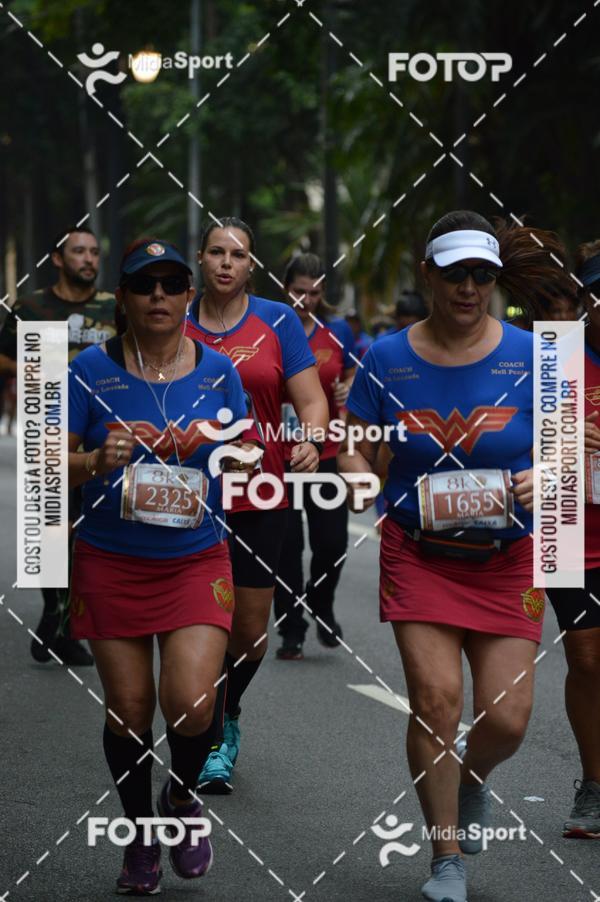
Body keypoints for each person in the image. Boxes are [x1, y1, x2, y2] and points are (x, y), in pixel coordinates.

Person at [339, 210, 570, 902]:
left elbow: (569, 447)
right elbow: (354, 442)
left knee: (508, 718)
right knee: (436, 702)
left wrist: (546, 472)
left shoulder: (539, 353)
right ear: (428, 276)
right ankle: (445, 860)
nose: (469, 288)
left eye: (482, 275)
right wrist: (358, 476)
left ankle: (470, 778)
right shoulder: (387, 357)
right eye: (455, 274)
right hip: (420, 553)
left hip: (510, 554)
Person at [68, 237, 253, 895]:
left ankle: (179, 798)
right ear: (123, 297)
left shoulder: (219, 372)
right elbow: (47, 463)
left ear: (188, 296)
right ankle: (141, 832)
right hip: (111, 559)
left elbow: (242, 450)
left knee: (193, 704)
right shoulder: (89, 370)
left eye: (172, 284)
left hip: (193, 557)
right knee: (128, 709)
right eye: (144, 285)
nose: (158, 296)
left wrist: (239, 460)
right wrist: (95, 461)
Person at [185, 218, 329, 791]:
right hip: (188, 495)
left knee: (248, 632)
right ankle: (207, 735)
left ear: (251, 265)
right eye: (216, 252)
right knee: (197, 622)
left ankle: (228, 712)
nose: (226, 263)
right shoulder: (174, 317)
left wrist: (310, 440)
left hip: (260, 492)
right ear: (201, 258)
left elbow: (311, 400)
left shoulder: (277, 320)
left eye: (238, 254)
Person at [0, 226, 117, 666]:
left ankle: (67, 620)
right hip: (47, 431)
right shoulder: (31, 307)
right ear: (57, 259)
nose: (88, 259)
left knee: (91, 528)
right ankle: (58, 612)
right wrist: (36, 365)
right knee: (54, 527)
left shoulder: (112, 307)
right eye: (79, 252)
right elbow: (2, 355)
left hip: (99, 434)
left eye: (94, 252)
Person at [273, 253, 356, 660]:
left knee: (333, 541)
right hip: (278, 455)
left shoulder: (337, 332)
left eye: (314, 292)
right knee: (286, 545)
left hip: (325, 452)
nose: (306, 300)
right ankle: (291, 628)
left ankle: (320, 602)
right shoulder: (269, 328)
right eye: (298, 291)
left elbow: (352, 373)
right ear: (284, 288)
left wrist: (347, 388)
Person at [546, 240, 600, 839]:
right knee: (586, 657)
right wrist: (563, 436)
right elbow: (520, 446)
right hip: (568, 529)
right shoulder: (556, 358)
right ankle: (594, 784)